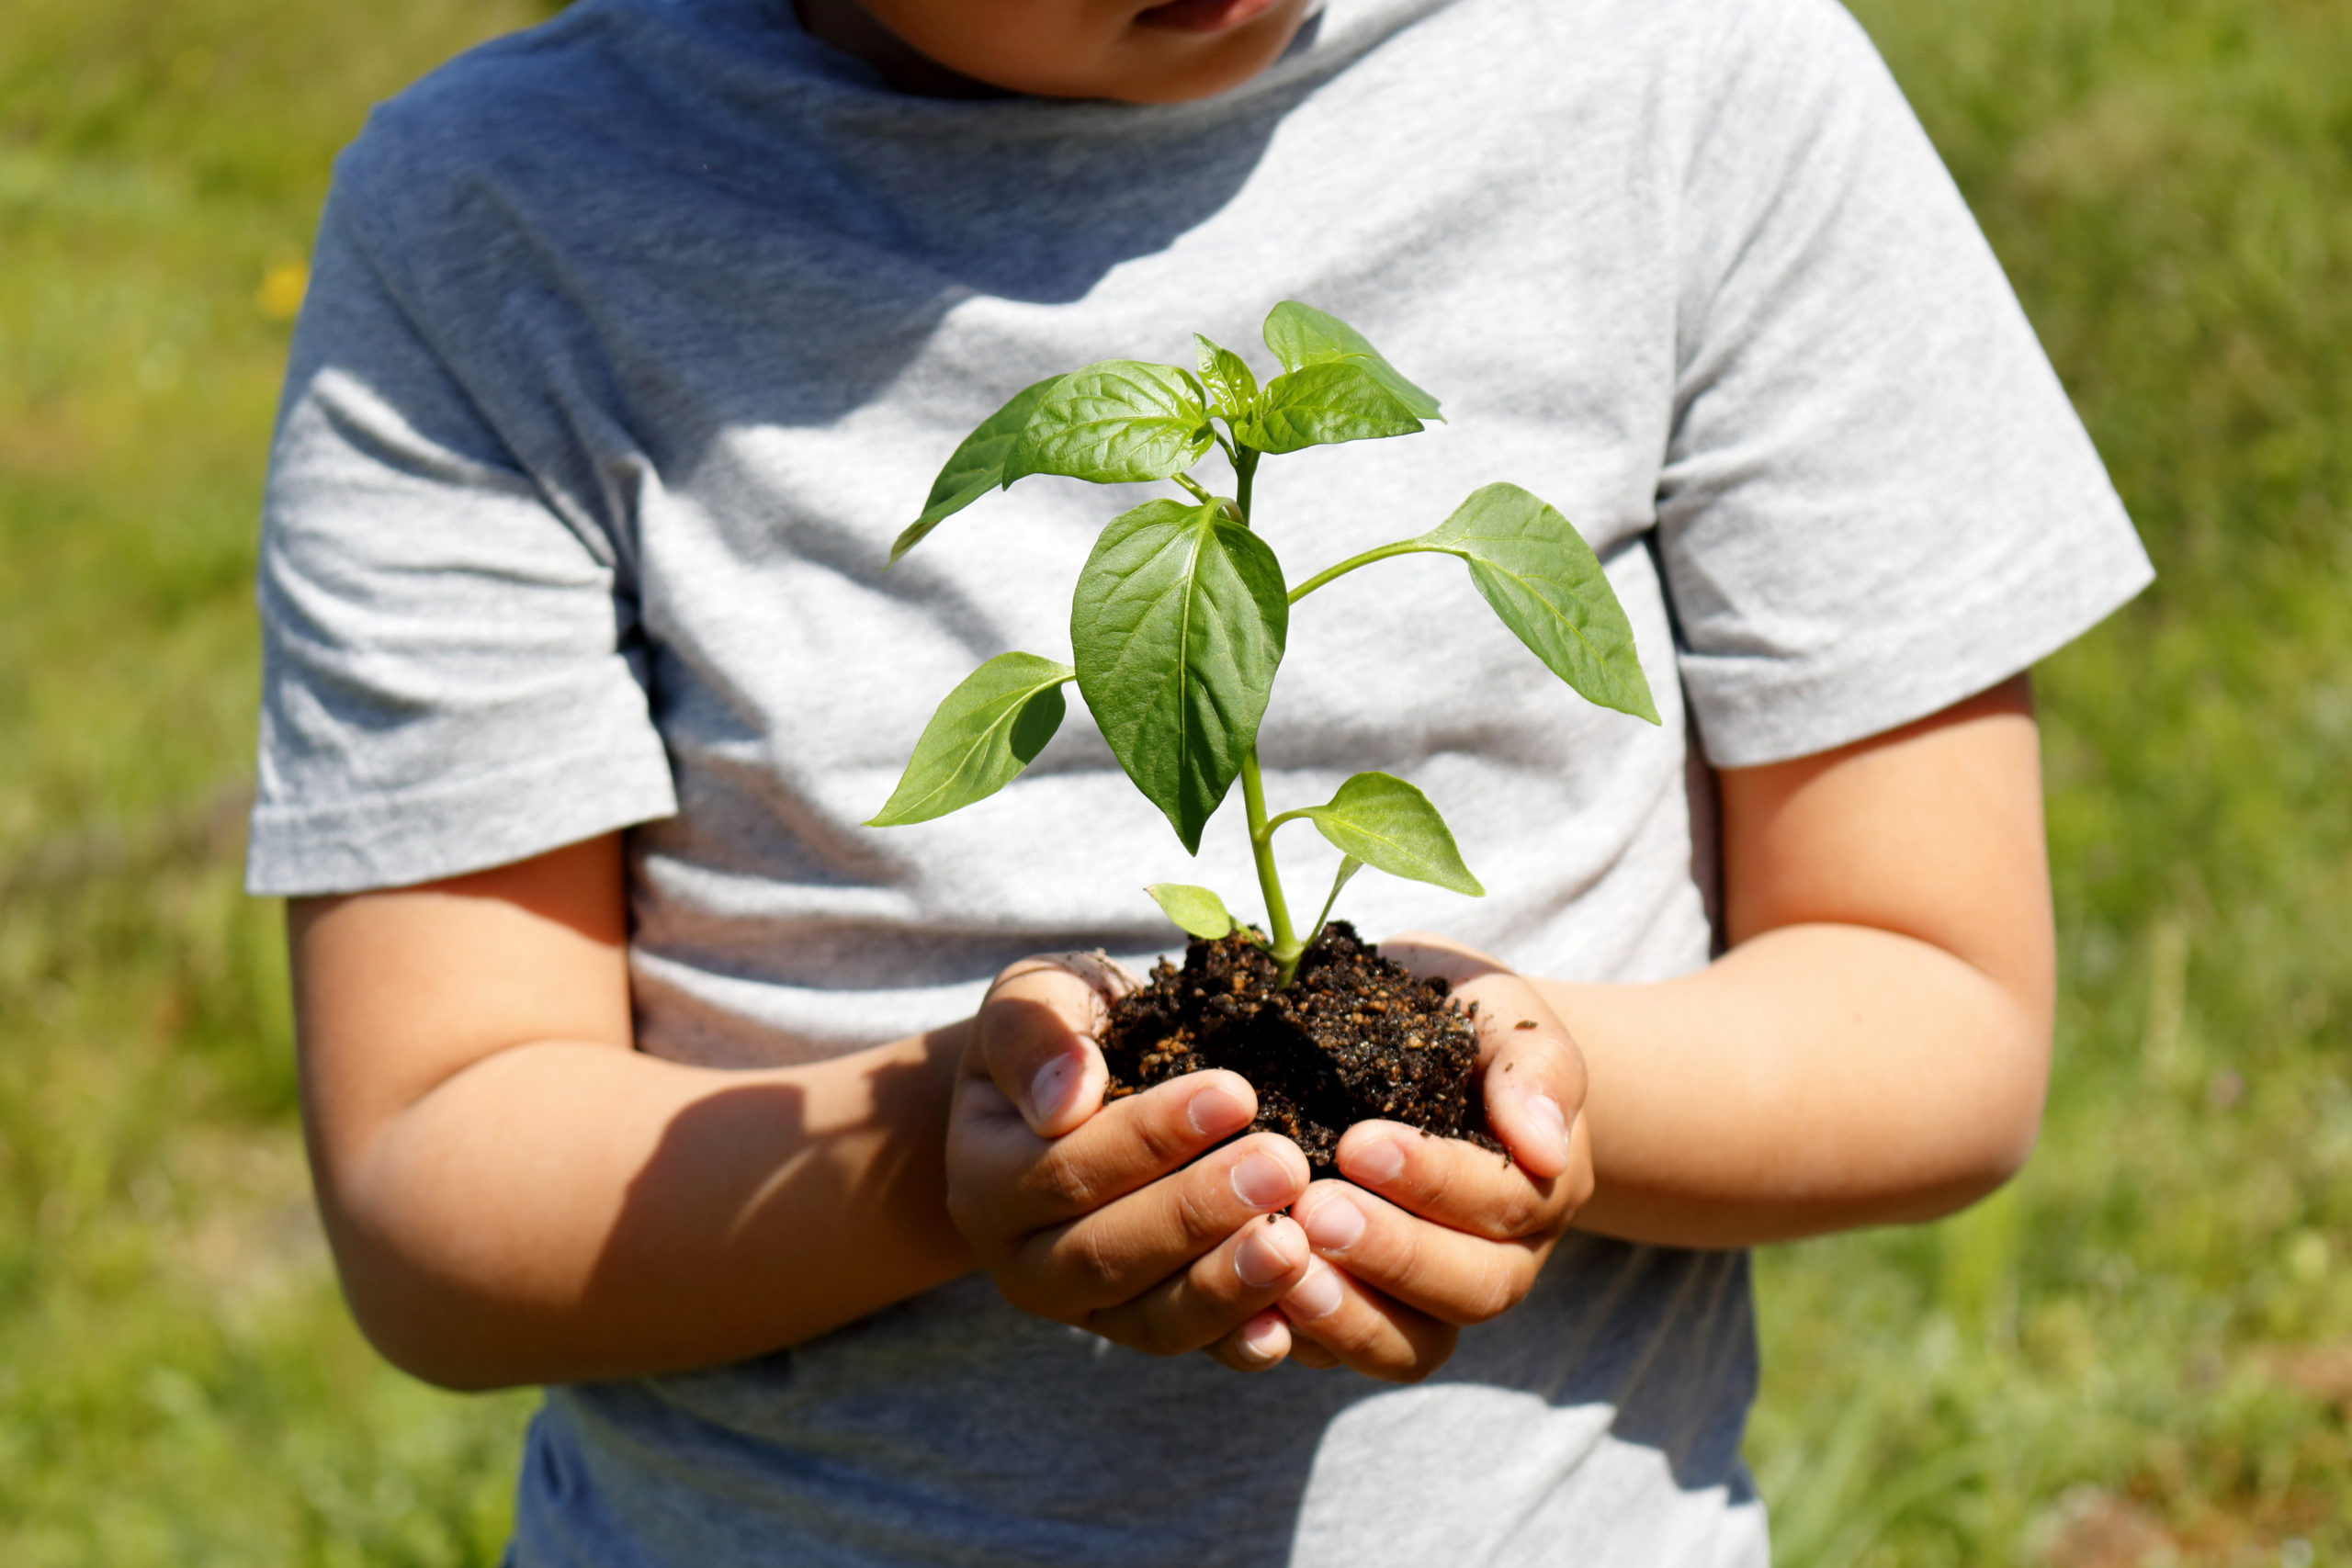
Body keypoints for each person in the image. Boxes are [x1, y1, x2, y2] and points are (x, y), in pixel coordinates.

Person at [248, 0, 2154, 1562]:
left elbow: (1934, 998)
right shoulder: (504, 216)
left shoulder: (1686, 81)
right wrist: (948, 1143)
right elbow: (440, 1179)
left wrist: (1503, 1076)